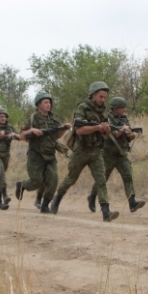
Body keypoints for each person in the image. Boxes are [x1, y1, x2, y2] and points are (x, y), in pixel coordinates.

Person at [50, 82, 120, 222]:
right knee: (71, 179)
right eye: (100, 96)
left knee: (101, 181)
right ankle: (56, 199)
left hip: (96, 151)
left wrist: (106, 130)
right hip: (81, 151)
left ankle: (106, 212)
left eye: (104, 97)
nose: (102, 100)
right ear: (93, 95)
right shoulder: (82, 108)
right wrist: (98, 128)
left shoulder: (102, 111)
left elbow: (105, 133)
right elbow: (79, 130)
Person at [87, 97, 146, 213]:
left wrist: (129, 133)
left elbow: (131, 137)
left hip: (121, 154)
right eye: (121, 107)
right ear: (115, 108)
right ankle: (92, 196)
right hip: (108, 154)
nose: (123, 109)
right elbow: (109, 134)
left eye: (124, 107)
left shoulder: (124, 119)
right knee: (103, 179)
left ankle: (132, 202)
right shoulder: (106, 119)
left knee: (128, 175)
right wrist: (121, 131)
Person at [15, 92, 71, 213]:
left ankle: (45, 205)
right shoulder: (32, 118)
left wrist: (64, 129)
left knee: (54, 179)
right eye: (45, 102)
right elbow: (21, 136)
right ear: (39, 104)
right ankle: (22, 185)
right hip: (36, 155)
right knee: (37, 181)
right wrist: (32, 130)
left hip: (50, 154)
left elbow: (56, 136)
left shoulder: (53, 119)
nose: (48, 104)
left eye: (49, 102)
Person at [0, 106, 19, 204]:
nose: (3, 118)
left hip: (5, 154)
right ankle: (5, 195)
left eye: (4, 116)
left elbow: (19, 136)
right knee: (0, 173)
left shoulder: (9, 127)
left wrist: (13, 134)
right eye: (1, 116)